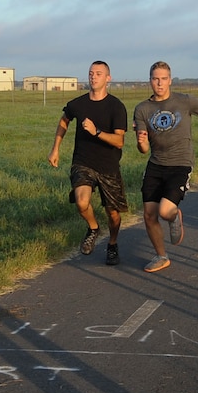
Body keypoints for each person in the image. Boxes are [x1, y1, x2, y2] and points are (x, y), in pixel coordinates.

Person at [133, 61, 198, 273]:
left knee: (164, 210)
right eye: (155, 78)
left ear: (170, 80)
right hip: (155, 164)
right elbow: (143, 149)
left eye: (163, 79)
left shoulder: (184, 101)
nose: (159, 83)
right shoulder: (142, 109)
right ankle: (161, 256)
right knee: (149, 214)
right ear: (150, 80)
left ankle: (173, 216)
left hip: (180, 164)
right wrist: (142, 141)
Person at [48, 61, 128, 265]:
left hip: (108, 166)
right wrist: (55, 148)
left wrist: (97, 132)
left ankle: (112, 243)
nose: (93, 77)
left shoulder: (116, 106)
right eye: (91, 73)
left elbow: (119, 141)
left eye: (99, 74)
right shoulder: (78, 104)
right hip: (83, 162)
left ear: (108, 78)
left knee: (113, 214)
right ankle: (93, 228)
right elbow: (64, 120)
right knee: (82, 201)